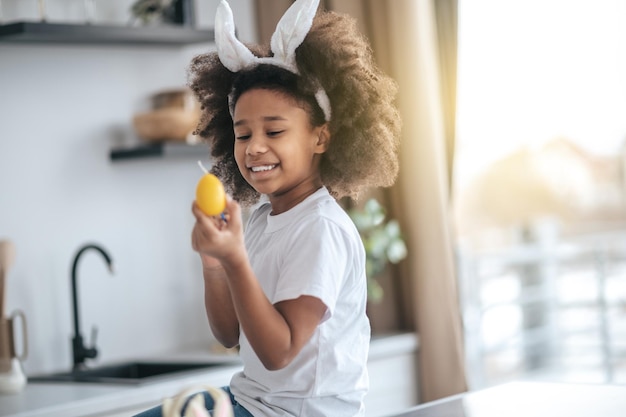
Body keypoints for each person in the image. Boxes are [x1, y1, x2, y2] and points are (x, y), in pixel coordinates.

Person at [135, 0, 400, 415]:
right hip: (251, 402)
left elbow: (280, 352)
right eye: (242, 135)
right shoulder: (262, 220)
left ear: (321, 138)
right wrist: (214, 263)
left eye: (274, 130)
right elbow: (229, 335)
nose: (255, 147)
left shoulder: (320, 229)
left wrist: (236, 259)